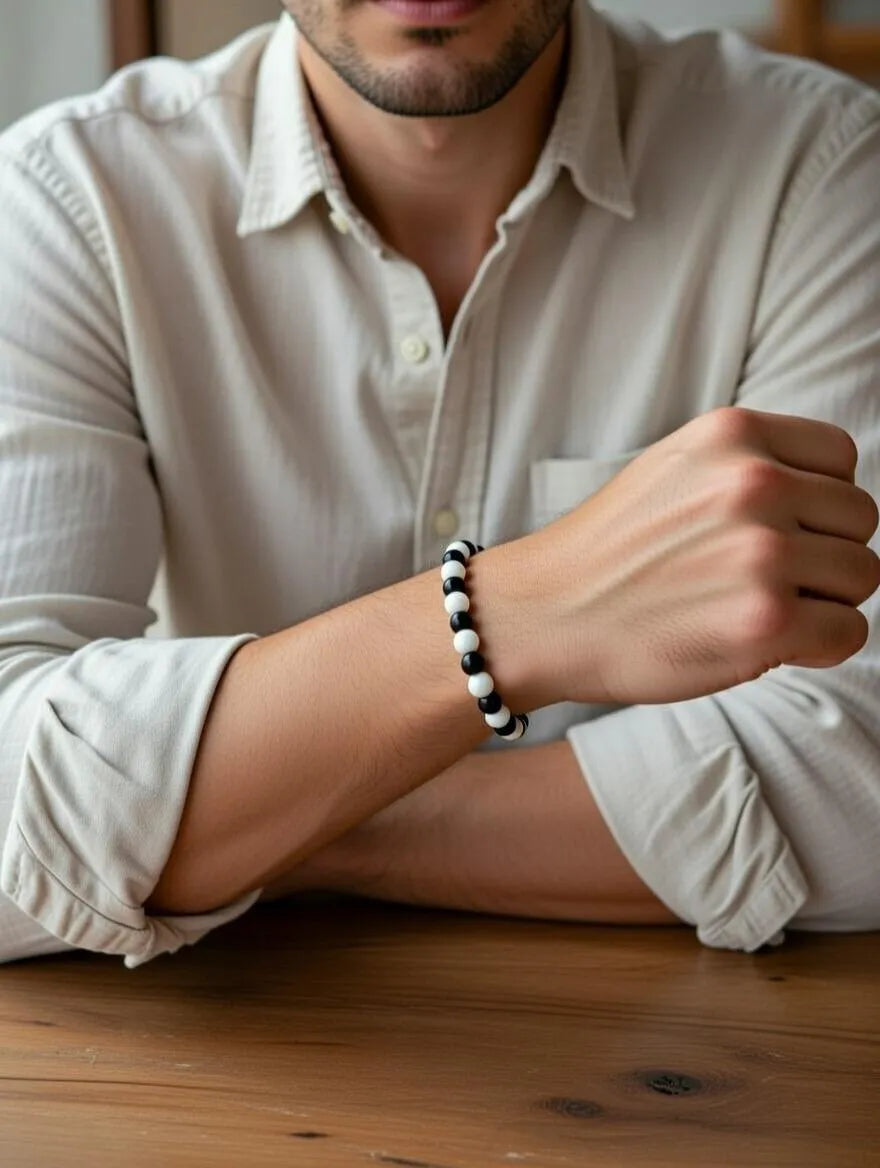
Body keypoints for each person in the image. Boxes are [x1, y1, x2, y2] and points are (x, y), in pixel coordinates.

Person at [0, 0, 878, 970]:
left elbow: (860, 770)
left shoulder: (820, 167)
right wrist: (529, 611)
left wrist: (248, 822)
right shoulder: (65, 198)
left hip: (694, 1059)